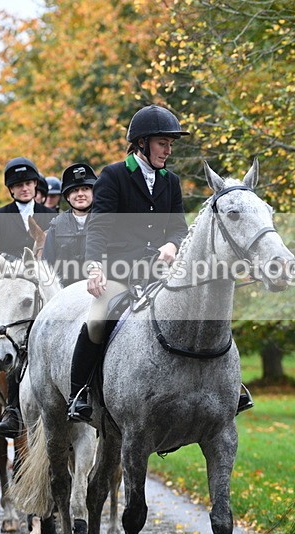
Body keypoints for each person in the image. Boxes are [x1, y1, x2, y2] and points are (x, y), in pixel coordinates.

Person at [65, 104, 193, 422]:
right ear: (142, 143)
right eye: (163, 143)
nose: (168, 149)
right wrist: (94, 267)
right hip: (120, 270)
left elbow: (178, 226)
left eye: (170, 144)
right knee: (98, 319)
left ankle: (217, 388)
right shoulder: (113, 176)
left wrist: (172, 244)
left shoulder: (170, 181)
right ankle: (78, 393)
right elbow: (99, 226)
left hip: (160, 272)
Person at [0, 156, 56, 438]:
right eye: (19, 185)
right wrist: (6, 264)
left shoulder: (50, 214)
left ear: (35, 185)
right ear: (11, 190)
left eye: (29, 183)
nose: (25, 188)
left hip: (38, 283)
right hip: (4, 281)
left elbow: (57, 251)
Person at [42, 163, 98, 286]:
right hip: (63, 293)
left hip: (98, 290)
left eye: (85, 189)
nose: (80, 194)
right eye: (74, 190)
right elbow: (46, 267)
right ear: (67, 196)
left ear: (94, 192)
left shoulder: (105, 222)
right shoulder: (55, 226)